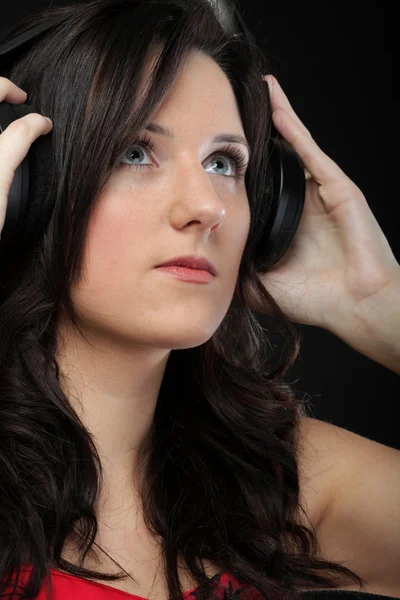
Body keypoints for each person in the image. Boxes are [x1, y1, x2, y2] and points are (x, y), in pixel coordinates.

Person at [0, 1, 399, 599]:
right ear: (29, 184)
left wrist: (380, 305)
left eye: (223, 163)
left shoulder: (281, 483)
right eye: (136, 152)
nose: (207, 207)